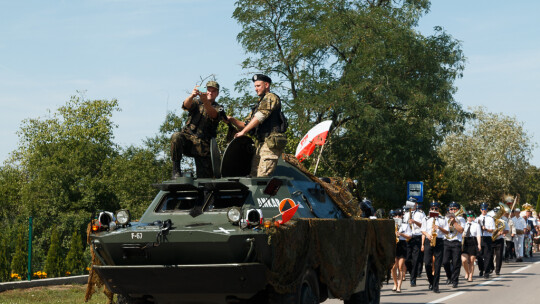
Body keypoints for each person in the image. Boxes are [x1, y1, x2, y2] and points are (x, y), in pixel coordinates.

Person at [228, 74, 288, 177]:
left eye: (258, 86)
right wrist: (231, 120)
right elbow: (246, 124)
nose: (256, 89)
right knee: (253, 176)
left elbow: (260, 117)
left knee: (262, 179)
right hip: (260, 144)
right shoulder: (258, 105)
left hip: (270, 143)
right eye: (255, 86)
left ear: (266, 85)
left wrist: (243, 132)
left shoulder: (270, 97)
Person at [170, 81, 223, 179]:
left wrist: (205, 101)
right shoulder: (197, 102)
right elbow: (186, 105)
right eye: (208, 90)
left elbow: (213, 115)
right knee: (176, 136)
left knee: (205, 181)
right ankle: (176, 170)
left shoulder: (219, 108)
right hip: (188, 140)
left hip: (203, 147)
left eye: (213, 91)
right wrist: (192, 96)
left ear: (217, 93)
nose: (210, 93)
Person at [421, 201, 449, 293]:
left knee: (437, 265)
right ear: (430, 209)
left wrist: (439, 228)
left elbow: (447, 232)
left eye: (436, 209)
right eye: (432, 208)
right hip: (429, 240)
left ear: (438, 209)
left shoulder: (443, 219)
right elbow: (423, 230)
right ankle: (431, 281)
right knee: (427, 263)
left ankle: (436, 285)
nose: (434, 210)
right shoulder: (426, 218)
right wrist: (428, 235)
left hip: (439, 241)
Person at [442, 202, 465, 288]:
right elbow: (443, 230)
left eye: (454, 209)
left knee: (456, 263)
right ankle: (449, 276)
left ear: (458, 210)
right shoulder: (445, 218)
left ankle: (455, 280)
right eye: (451, 209)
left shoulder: (461, 219)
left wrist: (454, 222)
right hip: (446, 241)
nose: (452, 211)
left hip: (456, 242)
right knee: (445, 262)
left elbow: (461, 230)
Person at [403, 197, 424, 287]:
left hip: (417, 236)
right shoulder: (406, 213)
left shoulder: (420, 213)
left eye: (413, 203)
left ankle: (413, 279)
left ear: (416, 204)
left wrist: (414, 221)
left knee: (415, 260)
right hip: (408, 237)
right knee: (407, 260)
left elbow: (423, 225)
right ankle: (412, 273)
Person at [392, 209, 412, 293]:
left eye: (399, 215)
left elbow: (409, 236)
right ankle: (395, 284)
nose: (397, 217)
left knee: (400, 266)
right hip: (393, 245)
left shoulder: (405, 225)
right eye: (395, 215)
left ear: (401, 216)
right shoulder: (391, 224)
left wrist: (401, 234)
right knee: (393, 267)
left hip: (402, 245)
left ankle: (399, 286)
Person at [475, 202, 495, 279]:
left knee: (487, 256)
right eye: (483, 209)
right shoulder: (477, 219)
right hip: (479, 238)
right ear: (480, 210)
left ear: (487, 210)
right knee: (479, 255)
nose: (484, 210)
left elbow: (492, 230)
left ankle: (486, 272)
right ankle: (481, 269)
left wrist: (486, 229)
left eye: (485, 209)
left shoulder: (490, 219)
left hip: (487, 238)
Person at [461, 210, 482, 282]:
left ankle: (470, 276)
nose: (469, 217)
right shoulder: (464, 224)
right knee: (464, 260)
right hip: (465, 242)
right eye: (468, 216)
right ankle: (467, 272)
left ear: (473, 217)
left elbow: (478, 235)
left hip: (473, 241)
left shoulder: (476, 225)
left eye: (471, 216)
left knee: (472, 260)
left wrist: (479, 244)